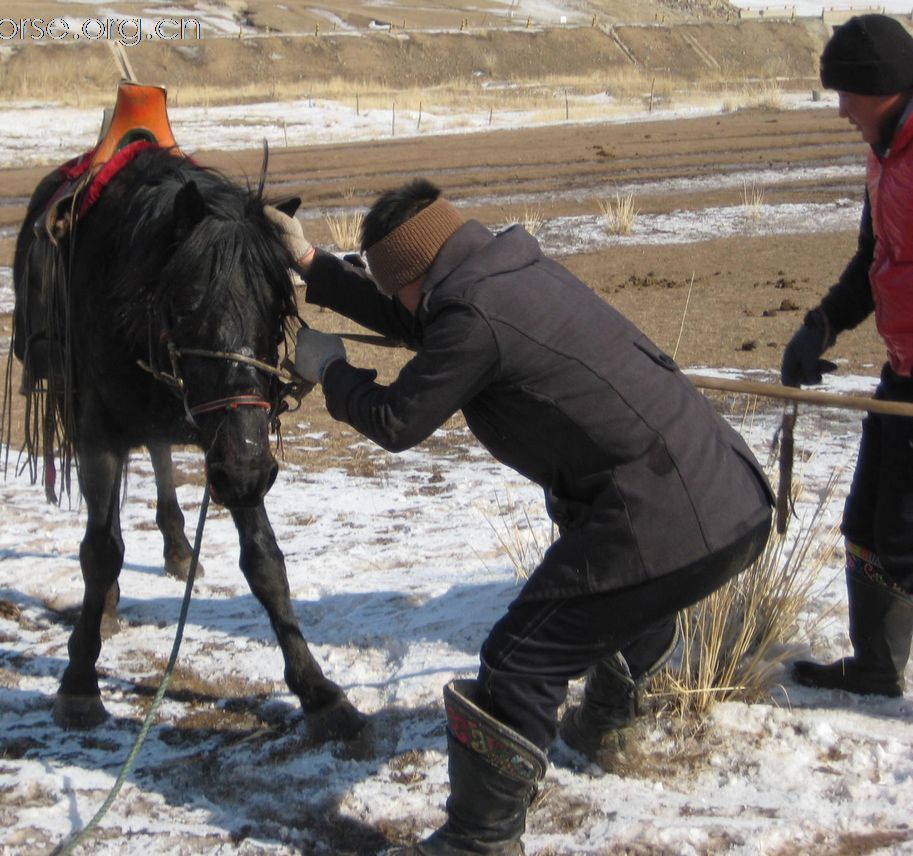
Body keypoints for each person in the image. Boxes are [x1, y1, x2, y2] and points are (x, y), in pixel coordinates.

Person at [266, 180, 773, 855]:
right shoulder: (505, 268)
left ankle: (479, 842)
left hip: (664, 514)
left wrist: (331, 370)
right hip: (728, 502)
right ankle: (604, 732)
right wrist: (311, 264)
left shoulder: (471, 316)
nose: (398, 308)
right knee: (627, 595)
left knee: (517, 660)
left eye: (396, 292)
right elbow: (427, 318)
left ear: (415, 274)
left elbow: (395, 420)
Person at [781, 14, 913, 699]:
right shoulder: (882, 154)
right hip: (901, 370)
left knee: (905, 536)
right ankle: (873, 668)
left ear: (882, 88)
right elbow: (874, 262)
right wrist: (819, 328)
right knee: (868, 522)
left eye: (845, 94)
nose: (838, 110)